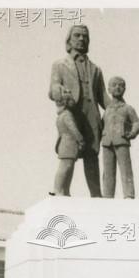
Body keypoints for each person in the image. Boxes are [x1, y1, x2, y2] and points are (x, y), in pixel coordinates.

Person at [48, 24, 106, 197]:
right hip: (71, 114)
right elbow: (53, 88)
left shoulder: (96, 69)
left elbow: (104, 98)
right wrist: (59, 91)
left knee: (92, 159)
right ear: (69, 40)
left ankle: (96, 196)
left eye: (85, 36)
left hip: (91, 118)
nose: (81, 39)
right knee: (68, 157)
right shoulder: (59, 64)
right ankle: (60, 193)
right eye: (77, 35)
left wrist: (119, 107)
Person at [101, 76, 139, 199]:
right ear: (109, 89)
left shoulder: (128, 108)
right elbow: (101, 125)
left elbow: (136, 123)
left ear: (124, 89)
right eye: (114, 85)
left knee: (125, 169)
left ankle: (128, 195)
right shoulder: (107, 109)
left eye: (120, 85)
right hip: (107, 142)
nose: (117, 87)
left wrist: (132, 133)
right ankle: (108, 195)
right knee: (108, 172)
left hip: (122, 141)